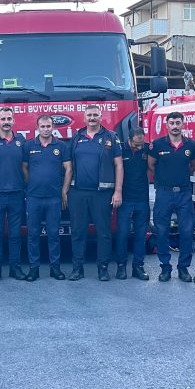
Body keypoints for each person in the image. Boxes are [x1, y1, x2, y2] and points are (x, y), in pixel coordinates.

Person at [65, 104, 123, 281]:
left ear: (101, 116)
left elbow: (119, 165)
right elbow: (69, 166)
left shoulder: (111, 137)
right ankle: (77, 268)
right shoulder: (76, 137)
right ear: (84, 117)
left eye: (95, 115)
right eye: (89, 115)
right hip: (78, 193)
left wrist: (118, 191)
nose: (92, 118)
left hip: (102, 194)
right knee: (78, 232)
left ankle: (103, 269)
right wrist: (65, 190)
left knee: (103, 233)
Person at [148, 112, 195, 283]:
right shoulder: (157, 144)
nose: (175, 126)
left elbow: (192, 166)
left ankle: (183, 268)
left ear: (183, 124)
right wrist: (165, 179)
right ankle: (165, 268)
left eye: (178, 122)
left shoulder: (190, 145)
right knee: (162, 231)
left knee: (186, 231)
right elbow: (151, 164)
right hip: (164, 193)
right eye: (172, 123)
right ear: (167, 125)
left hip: (184, 193)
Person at [23, 115, 70, 281]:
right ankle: (33, 269)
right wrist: (32, 186)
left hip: (54, 198)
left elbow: (68, 169)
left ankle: (55, 268)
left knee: (53, 234)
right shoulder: (28, 145)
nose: (46, 129)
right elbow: (24, 168)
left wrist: (64, 191)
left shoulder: (61, 146)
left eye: (48, 126)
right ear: (37, 127)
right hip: (34, 197)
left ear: (53, 127)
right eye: (42, 126)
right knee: (33, 234)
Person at [0, 107, 27, 282]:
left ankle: (15, 268)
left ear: (13, 121)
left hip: (17, 193)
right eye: (3, 119)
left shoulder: (21, 141)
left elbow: (26, 165)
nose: (6, 122)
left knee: (15, 234)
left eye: (9, 118)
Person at [115, 128, 150, 280]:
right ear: (129, 140)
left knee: (141, 235)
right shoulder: (120, 149)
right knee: (122, 234)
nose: (139, 146)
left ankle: (138, 267)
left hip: (142, 199)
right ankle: (121, 266)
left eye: (141, 143)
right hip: (125, 199)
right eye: (136, 144)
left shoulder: (147, 148)